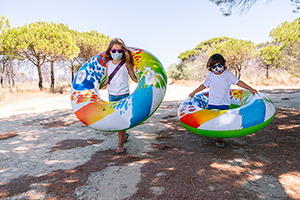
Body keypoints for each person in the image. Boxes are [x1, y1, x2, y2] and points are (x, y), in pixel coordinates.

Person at [189, 54, 257, 147]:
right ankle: (218, 139)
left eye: (219, 65)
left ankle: (220, 136)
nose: (217, 68)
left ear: (224, 64)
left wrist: (250, 89)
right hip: (212, 103)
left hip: (224, 103)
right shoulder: (210, 76)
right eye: (214, 66)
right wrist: (193, 92)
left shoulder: (228, 75)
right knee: (214, 121)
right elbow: (204, 85)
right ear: (210, 67)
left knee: (222, 121)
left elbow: (238, 82)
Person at [100, 38, 138, 154]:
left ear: (123, 51)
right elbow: (108, 79)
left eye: (119, 51)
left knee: (121, 119)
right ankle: (124, 135)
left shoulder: (126, 63)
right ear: (110, 51)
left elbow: (133, 78)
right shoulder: (108, 64)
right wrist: (98, 87)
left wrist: (144, 83)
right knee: (118, 119)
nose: (116, 53)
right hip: (112, 95)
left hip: (124, 95)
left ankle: (120, 144)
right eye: (114, 51)